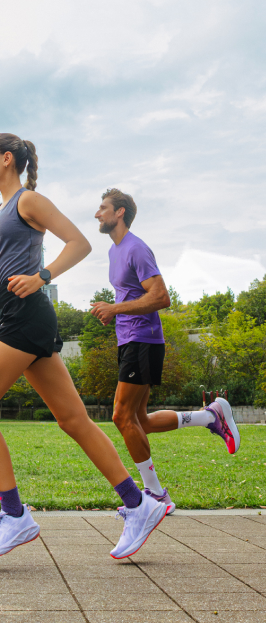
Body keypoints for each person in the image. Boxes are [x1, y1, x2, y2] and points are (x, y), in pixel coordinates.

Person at [0, 133, 169, 561]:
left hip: (27, 317)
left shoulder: (28, 201)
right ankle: (140, 505)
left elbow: (79, 243)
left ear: (7, 159)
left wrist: (42, 278)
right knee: (73, 419)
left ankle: (14, 516)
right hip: (17, 316)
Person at [91, 188, 240, 513]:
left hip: (143, 340)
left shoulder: (136, 248)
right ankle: (208, 416)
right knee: (139, 421)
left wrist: (115, 309)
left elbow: (161, 297)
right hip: (129, 340)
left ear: (119, 212)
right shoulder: (114, 252)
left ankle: (155, 494)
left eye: (102, 208)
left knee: (121, 416)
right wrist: (112, 313)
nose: (97, 214)